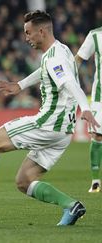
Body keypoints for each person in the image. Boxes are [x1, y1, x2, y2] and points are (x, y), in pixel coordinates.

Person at [0, 10, 100, 226]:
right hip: (63, 133)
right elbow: (44, 71)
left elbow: (68, 82)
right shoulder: (60, 50)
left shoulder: (55, 56)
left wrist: (85, 108)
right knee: (24, 181)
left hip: (48, 123)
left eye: (29, 33)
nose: (26, 38)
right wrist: (20, 85)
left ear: (41, 31)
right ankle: (71, 206)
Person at [75, 26, 102, 193]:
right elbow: (78, 59)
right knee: (97, 135)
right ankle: (96, 181)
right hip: (100, 96)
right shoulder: (95, 35)